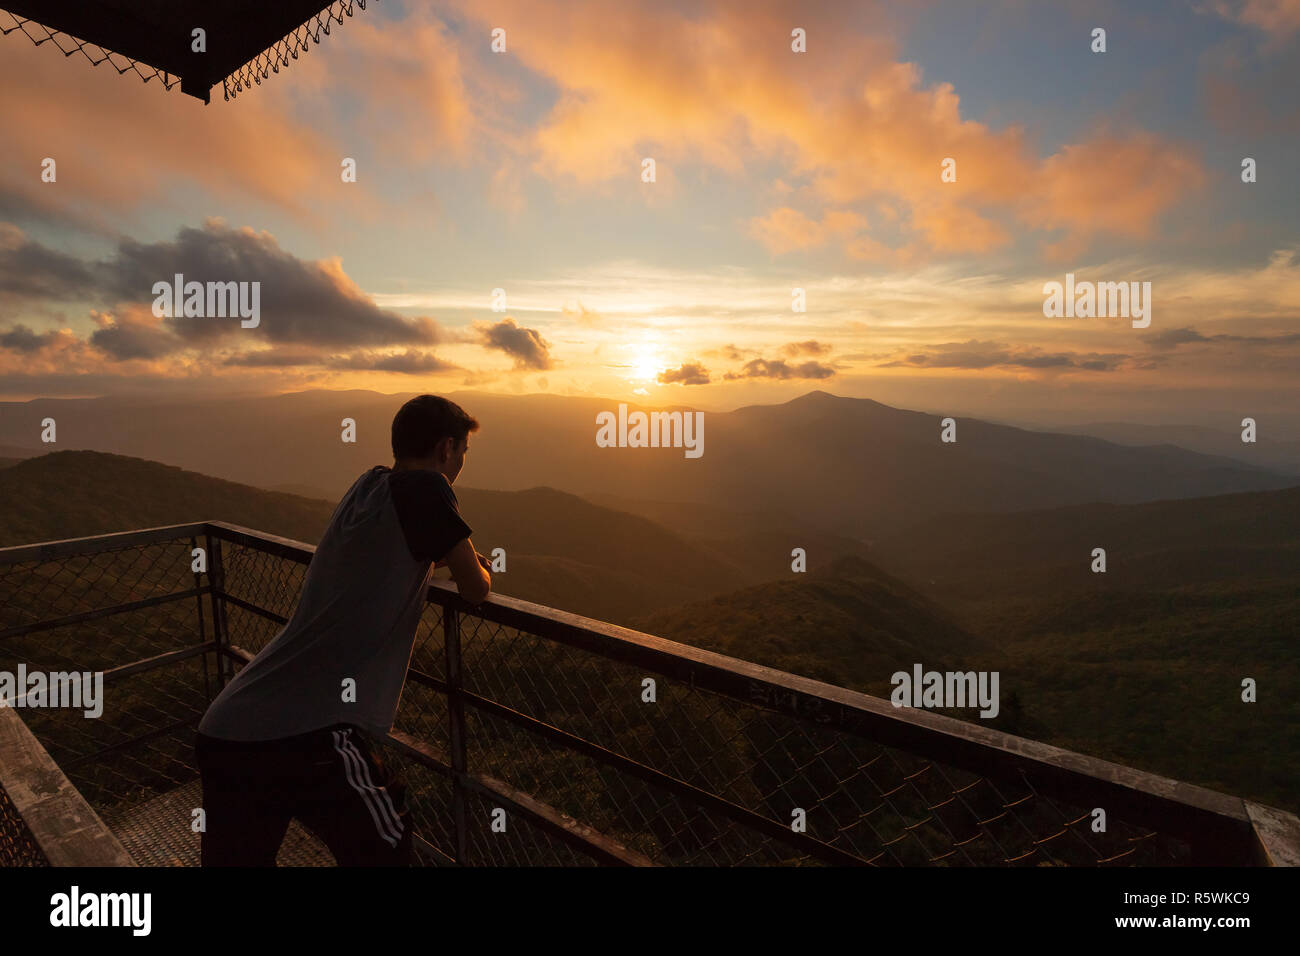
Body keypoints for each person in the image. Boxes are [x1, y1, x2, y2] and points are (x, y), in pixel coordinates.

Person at [193, 394, 491, 866]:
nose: (461, 464)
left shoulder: (370, 484)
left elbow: (391, 550)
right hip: (302, 729)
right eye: (464, 452)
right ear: (446, 448)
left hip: (229, 728)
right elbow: (476, 588)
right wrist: (474, 565)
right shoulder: (429, 489)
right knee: (387, 842)